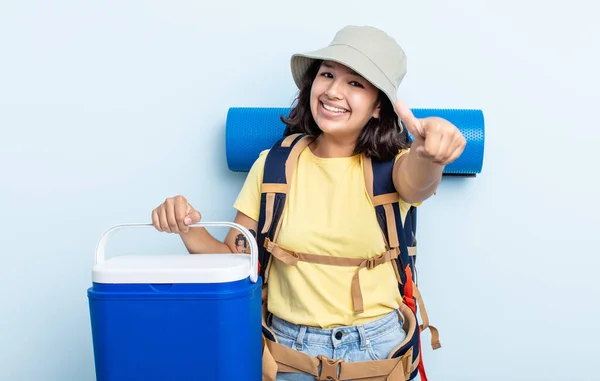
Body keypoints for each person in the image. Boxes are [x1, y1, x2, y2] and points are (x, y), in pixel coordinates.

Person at [151, 25, 466, 381]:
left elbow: (418, 184)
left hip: (379, 351)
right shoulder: (273, 165)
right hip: (288, 352)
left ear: (379, 106)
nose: (333, 91)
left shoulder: (396, 165)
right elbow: (237, 263)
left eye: (356, 83)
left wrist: (429, 155)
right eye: (327, 74)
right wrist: (187, 227)